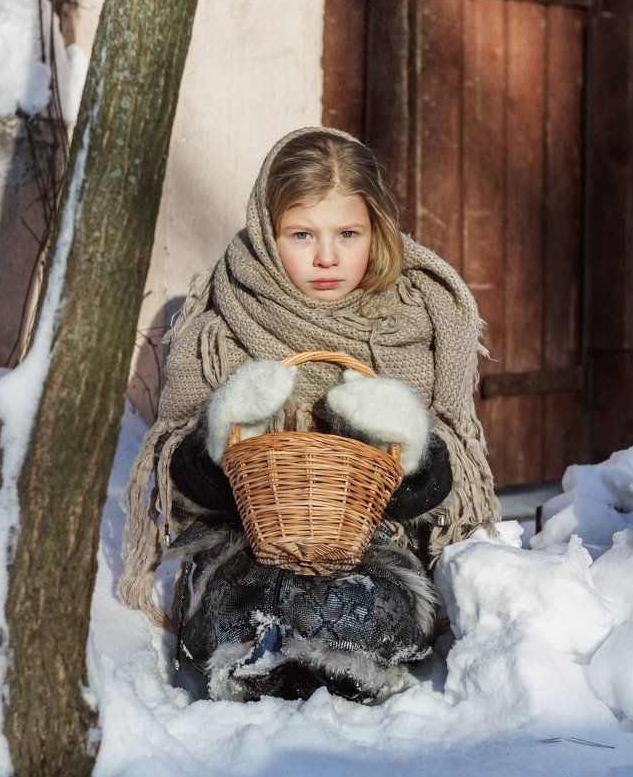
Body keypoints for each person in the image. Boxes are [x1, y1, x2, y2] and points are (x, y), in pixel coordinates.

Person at [119, 126, 500, 703]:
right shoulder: (221, 325)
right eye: (301, 234)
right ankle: (254, 664)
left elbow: (441, 495)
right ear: (268, 235)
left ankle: (354, 663)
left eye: (348, 233)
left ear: (376, 229)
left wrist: (407, 447)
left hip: (375, 543)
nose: (327, 256)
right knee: (245, 598)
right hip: (243, 542)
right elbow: (180, 484)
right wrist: (225, 440)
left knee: (366, 601)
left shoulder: (415, 319)